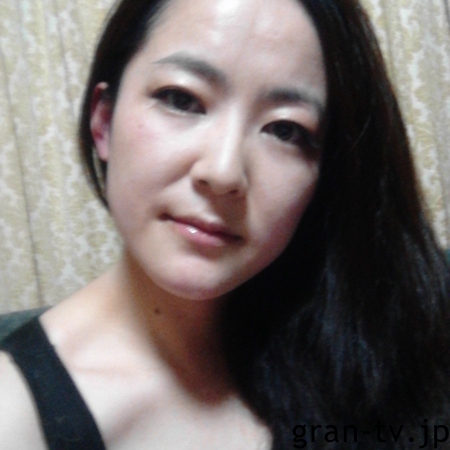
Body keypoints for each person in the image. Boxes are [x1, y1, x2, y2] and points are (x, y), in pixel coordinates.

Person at [0, 0, 449, 448]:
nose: (224, 172)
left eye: (285, 130)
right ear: (104, 122)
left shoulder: (390, 323)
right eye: (182, 99)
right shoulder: (17, 410)